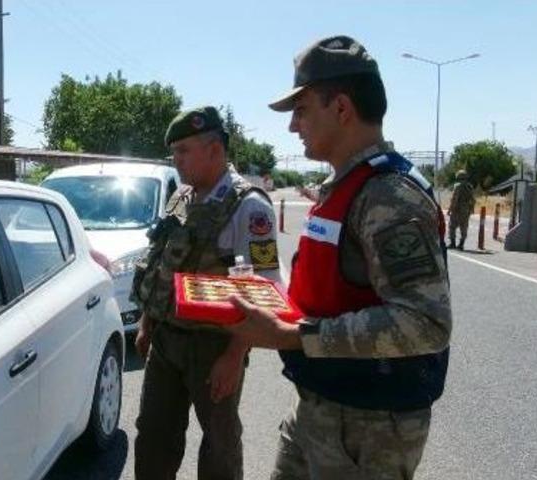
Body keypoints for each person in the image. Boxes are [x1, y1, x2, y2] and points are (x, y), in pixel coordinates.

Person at [224, 36, 452, 479]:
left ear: (342, 108)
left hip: (369, 427)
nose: (293, 126)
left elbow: (426, 323)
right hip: (320, 404)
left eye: (302, 109)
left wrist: (294, 335)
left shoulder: (388, 197)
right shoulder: (347, 186)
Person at [130, 106, 281, 480]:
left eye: (184, 151)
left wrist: (234, 355)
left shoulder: (250, 206)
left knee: (219, 446)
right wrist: (148, 321)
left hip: (215, 347)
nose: (176, 160)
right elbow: (163, 259)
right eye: (174, 152)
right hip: (167, 340)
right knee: (153, 437)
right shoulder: (182, 197)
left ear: (214, 150)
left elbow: (263, 291)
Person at [447, 169, 475, 250]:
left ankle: (452, 243)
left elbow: (454, 199)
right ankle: (461, 244)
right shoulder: (469, 186)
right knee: (464, 227)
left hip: (457, 209)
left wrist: (450, 209)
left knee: (452, 226)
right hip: (466, 210)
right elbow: (473, 199)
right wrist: (471, 209)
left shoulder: (457, 186)